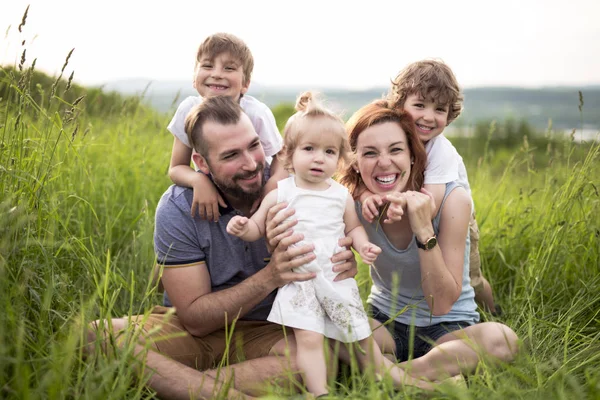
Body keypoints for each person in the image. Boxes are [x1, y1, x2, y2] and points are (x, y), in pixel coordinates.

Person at [87, 96, 359, 399]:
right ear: (201, 163)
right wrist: (272, 275)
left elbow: (340, 236)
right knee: (94, 337)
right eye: (231, 155)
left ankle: (168, 384)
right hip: (188, 332)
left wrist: (345, 262)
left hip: (266, 330)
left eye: (254, 146)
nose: (251, 163)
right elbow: (194, 319)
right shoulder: (177, 207)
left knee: (316, 359)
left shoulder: (294, 187)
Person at [227, 92, 433, 396]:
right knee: (309, 340)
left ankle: (396, 380)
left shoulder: (340, 195)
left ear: (339, 159)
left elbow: (353, 228)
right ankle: (320, 391)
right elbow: (258, 227)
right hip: (301, 282)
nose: (318, 158)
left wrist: (363, 247)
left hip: (335, 280)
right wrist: (244, 227)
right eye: (309, 149)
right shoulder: (281, 193)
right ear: (289, 154)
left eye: (328, 152)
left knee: (360, 337)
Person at [339, 100, 519, 381]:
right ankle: (428, 379)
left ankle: (390, 375)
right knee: (333, 329)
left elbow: (441, 303)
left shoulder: (452, 200)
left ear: (413, 155)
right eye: (370, 153)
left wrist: (423, 229)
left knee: (503, 339)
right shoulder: (350, 203)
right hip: (384, 321)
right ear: (356, 162)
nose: (384, 162)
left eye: (396, 150)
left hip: (448, 329)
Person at [358, 59, 499, 314]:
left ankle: (493, 312)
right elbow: (352, 171)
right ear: (400, 104)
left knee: (472, 279)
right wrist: (368, 193)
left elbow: (432, 204)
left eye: (439, 109)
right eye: (420, 105)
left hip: (455, 216)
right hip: (416, 210)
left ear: (450, 114)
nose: (428, 116)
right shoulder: (391, 132)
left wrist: (397, 204)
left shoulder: (440, 151)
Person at [168, 32, 287, 221]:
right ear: (194, 77)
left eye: (229, 68)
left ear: (245, 84)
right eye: (207, 65)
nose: (216, 74)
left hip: (255, 182)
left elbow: (282, 156)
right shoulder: (188, 110)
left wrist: (272, 187)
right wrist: (198, 180)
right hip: (216, 179)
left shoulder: (256, 112)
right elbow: (176, 167)